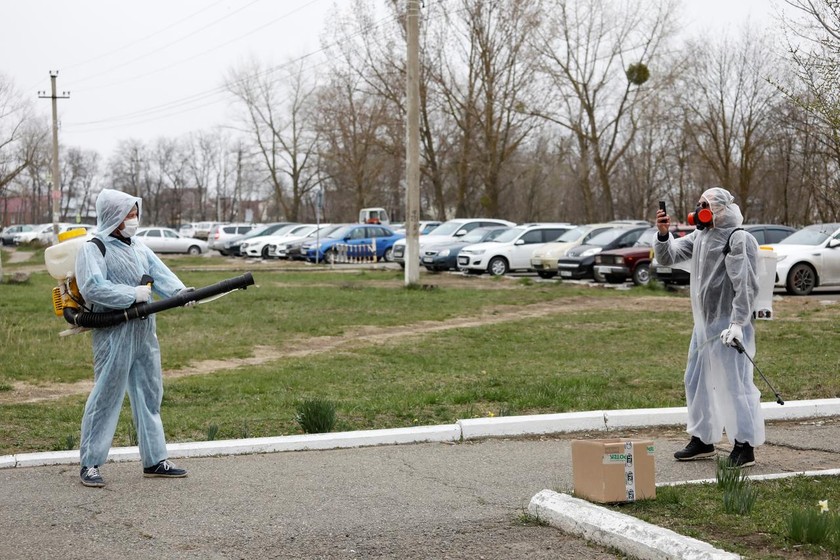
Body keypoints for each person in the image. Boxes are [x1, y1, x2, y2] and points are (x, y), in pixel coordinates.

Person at [75, 189, 191, 487]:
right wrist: (131, 294)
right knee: (106, 396)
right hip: (114, 333)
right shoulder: (94, 247)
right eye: (128, 214)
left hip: (144, 331)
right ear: (113, 215)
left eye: (135, 213)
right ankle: (90, 463)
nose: (134, 220)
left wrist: (180, 292)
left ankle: (155, 459)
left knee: (150, 395)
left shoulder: (138, 246)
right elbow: (92, 287)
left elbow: (159, 272)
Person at [654, 187, 764, 468]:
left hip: (729, 326)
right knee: (695, 380)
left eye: (705, 204)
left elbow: (746, 286)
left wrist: (738, 323)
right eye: (699, 204)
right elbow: (668, 257)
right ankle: (703, 440)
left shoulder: (738, 239)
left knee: (735, 384)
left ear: (720, 209)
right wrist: (664, 235)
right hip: (703, 326)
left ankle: (745, 445)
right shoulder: (700, 237)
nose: (699, 209)